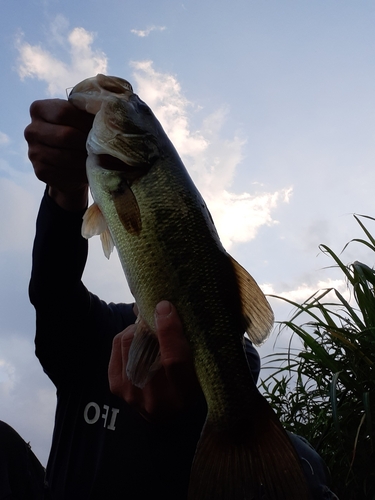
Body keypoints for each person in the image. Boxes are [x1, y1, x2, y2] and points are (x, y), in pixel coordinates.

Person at [25, 97, 338, 499]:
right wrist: (65, 196)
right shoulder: (86, 334)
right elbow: (51, 289)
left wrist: (184, 418)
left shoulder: (230, 379)